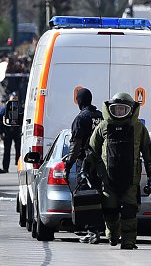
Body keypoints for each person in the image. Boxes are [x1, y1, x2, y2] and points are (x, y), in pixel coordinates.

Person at [84, 92, 151, 250]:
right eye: (116, 109)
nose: (119, 112)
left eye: (122, 109)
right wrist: (87, 169)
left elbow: (148, 152)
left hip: (131, 179)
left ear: (131, 110)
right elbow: (92, 150)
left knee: (129, 211)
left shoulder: (138, 127)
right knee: (109, 210)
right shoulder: (103, 126)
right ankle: (112, 235)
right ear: (109, 109)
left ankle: (129, 241)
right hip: (107, 179)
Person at [64, 87, 103, 244]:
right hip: (102, 163)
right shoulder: (100, 117)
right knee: (100, 195)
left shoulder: (81, 118)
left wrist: (69, 163)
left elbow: (76, 145)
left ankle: (92, 231)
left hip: (86, 163)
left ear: (79, 101)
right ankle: (99, 228)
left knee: (87, 197)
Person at [0, 93, 22, 173]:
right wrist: (1, 132)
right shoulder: (5, 108)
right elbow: (0, 120)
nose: (14, 101)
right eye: (13, 99)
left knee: (19, 150)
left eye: (15, 99)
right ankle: (5, 167)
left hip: (16, 131)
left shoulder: (19, 107)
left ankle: (19, 166)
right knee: (7, 151)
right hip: (8, 131)